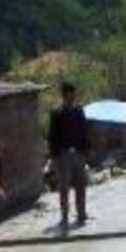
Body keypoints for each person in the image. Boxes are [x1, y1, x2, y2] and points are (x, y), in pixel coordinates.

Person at [48, 81, 90, 233]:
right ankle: (64, 216)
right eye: (70, 95)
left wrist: (87, 150)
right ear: (64, 95)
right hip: (63, 154)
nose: (73, 98)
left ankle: (81, 213)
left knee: (81, 184)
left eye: (74, 95)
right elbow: (52, 136)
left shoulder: (79, 111)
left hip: (78, 153)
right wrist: (53, 157)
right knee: (64, 187)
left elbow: (84, 130)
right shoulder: (56, 112)